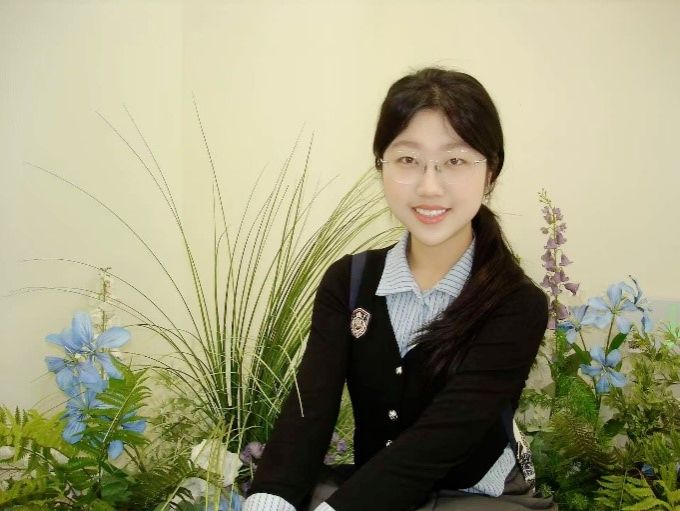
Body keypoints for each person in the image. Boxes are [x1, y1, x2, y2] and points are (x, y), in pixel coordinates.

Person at [242, 67, 556, 511]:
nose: (430, 187)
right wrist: (268, 499)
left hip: (474, 498)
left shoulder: (516, 304)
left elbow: (440, 442)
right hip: (371, 489)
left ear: (490, 172)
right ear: (381, 166)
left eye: (455, 161)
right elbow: (308, 410)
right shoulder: (349, 281)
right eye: (408, 160)